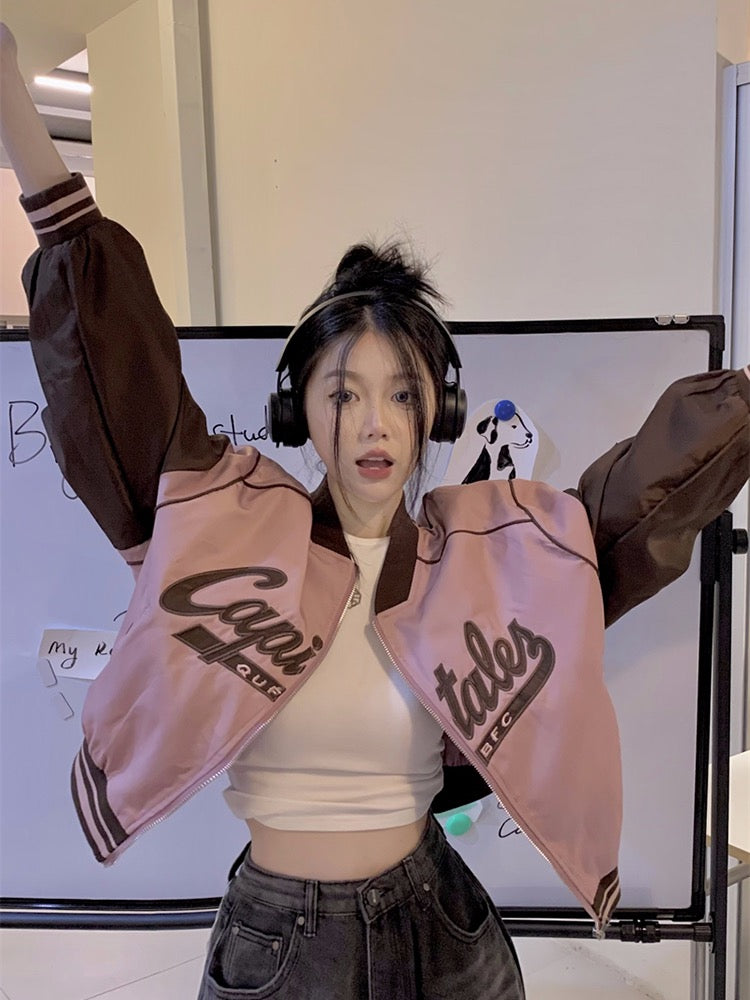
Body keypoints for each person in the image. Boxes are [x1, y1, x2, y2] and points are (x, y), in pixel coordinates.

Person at [2, 22, 749, 1000]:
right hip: (279, 942)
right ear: (300, 408)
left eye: (402, 393)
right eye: (343, 392)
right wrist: (18, 110)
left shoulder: (484, 557)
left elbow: (633, 502)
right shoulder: (220, 523)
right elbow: (117, 373)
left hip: (443, 925)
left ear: (436, 408)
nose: (374, 423)